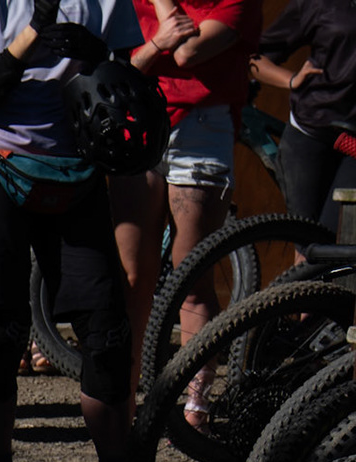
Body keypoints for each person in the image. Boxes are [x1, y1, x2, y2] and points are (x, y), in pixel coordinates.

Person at [0, 0, 147, 462]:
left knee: (107, 332)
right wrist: (32, 32)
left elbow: (127, 75)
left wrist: (98, 54)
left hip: (76, 174)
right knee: (2, 330)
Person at [112, 0, 259, 426]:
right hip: (138, 119)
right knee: (132, 278)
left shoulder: (235, 3)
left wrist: (161, 28)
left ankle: (195, 406)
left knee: (191, 279)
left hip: (201, 128)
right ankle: (123, 400)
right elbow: (124, 64)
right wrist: (161, 22)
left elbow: (186, 53)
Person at [251, 0, 356, 234]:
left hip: (354, 145)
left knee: (345, 237)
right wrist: (290, 79)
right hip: (311, 131)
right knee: (306, 239)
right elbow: (255, 57)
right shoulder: (318, 4)